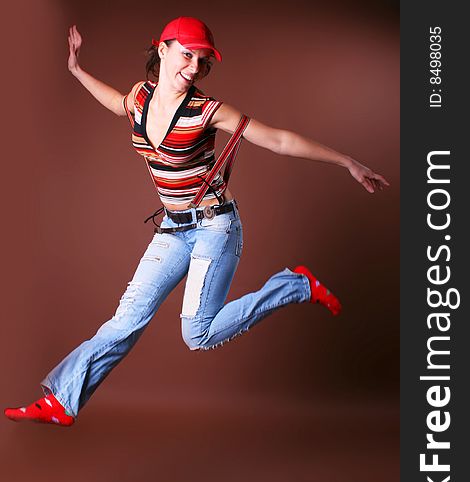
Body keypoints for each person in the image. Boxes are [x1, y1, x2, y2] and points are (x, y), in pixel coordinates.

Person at [4, 17, 389, 427]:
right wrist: (77, 70)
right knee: (125, 321)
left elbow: (277, 139)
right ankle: (62, 399)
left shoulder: (208, 111)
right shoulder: (140, 96)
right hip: (173, 228)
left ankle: (293, 285)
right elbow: (117, 103)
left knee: (197, 334)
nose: (192, 68)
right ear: (163, 49)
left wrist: (346, 161)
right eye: (187, 55)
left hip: (214, 228)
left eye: (201, 61)